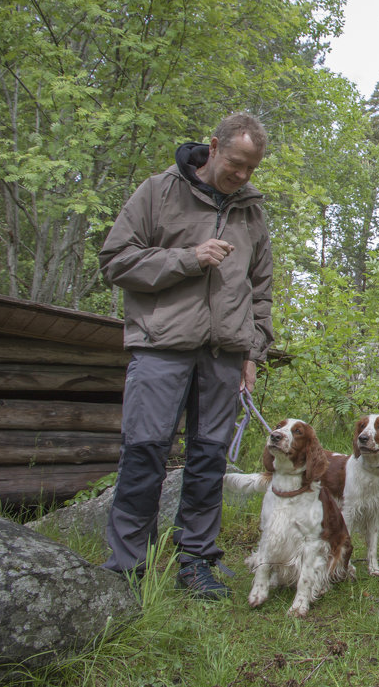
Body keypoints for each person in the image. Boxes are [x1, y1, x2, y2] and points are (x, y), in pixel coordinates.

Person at [99, 112, 273, 599]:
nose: (242, 176)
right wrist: (187, 259)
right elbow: (115, 260)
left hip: (224, 354)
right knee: (144, 452)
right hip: (161, 346)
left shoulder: (251, 211)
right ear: (213, 147)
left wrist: (252, 352)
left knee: (209, 459)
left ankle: (197, 561)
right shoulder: (159, 191)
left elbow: (261, 289)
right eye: (236, 164)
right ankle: (127, 567)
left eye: (251, 169)